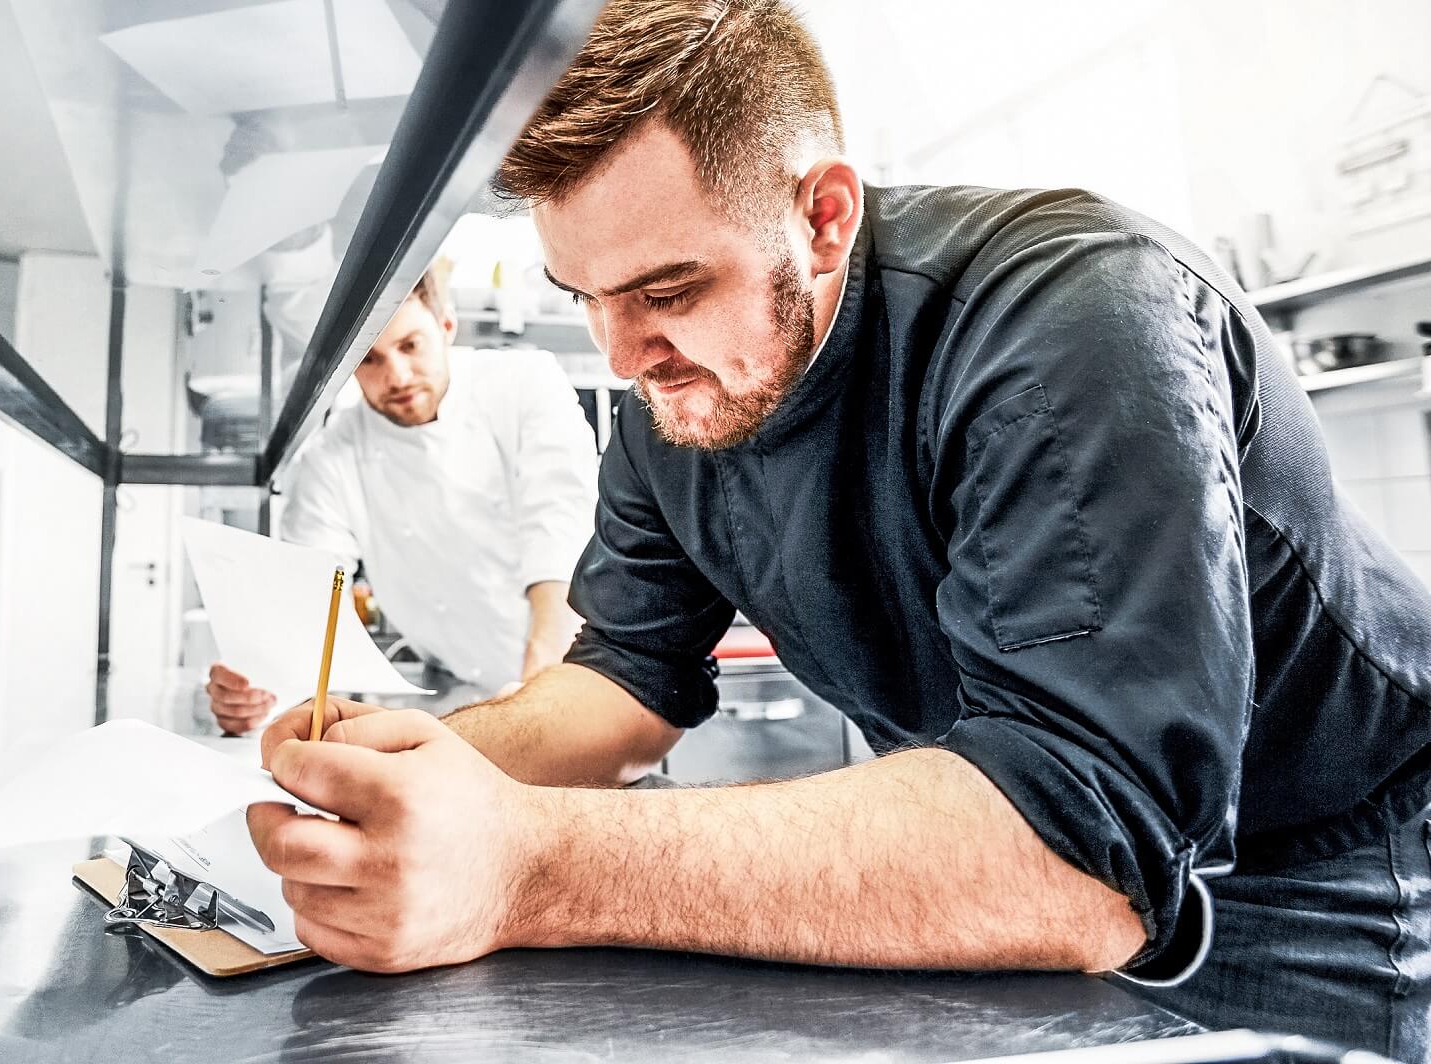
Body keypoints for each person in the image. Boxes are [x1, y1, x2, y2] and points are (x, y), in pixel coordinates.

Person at [243, 2, 1431, 1058]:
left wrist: (523, 859)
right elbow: (622, 676)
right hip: (1002, 844)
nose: (622, 357)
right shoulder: (671, 401)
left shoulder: (1071, 311)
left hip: (1315, 862)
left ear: (823, 216)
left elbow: (1083, 847)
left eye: (667, 292)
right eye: (585, 302)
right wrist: (410, 774)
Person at [206, 264, 599, 734]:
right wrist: (258, 690)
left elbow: (557, 536)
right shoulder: (332, 456)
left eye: (410, 345)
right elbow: (308, 600)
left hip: (580, 678)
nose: (396, 375)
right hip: (462, 695)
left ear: (446, 326)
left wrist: (540, 692)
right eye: (369, 359)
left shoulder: (523, 383)